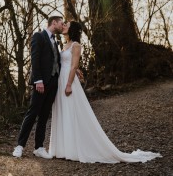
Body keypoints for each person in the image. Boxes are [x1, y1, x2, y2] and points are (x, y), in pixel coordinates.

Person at [49, 21, 162, 163]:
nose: (64, 25)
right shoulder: (64, 45)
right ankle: (63, 148)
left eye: (67, 24)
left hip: (68, 81)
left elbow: (74, 66)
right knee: (63, 111)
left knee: (71, 112)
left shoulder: (76, 45)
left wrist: (69, 84)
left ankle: (73, 148)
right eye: (64, 24)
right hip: (61, 79)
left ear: (72, 30)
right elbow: (65, 63)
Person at [12, 15, 64, 159]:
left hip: (53, 83)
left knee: (44, 115)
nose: (62, 25)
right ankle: (20, 146)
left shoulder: (56, 40)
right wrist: (38, 80)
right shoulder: (39, 36)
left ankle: (39, 147)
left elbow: (56, 61)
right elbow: (35, 59)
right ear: (54, 23)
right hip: (41, 83)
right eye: (61, 23)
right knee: (32, 113)